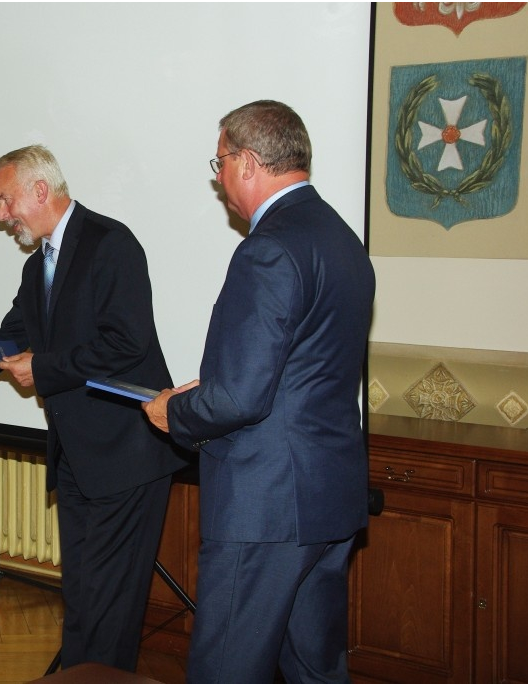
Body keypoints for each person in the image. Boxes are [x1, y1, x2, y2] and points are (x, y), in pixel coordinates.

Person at [0, 145, 189, 671]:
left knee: (110, 608)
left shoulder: (112, 244)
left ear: (41, 190)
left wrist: (46, 367)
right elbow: (2, 345)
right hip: (78, 461)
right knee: (84, 599)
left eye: (5, 200)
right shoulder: (39, 265)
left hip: (127, 458)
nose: (1, 216)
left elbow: (126, 344)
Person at [143, 101, 375, 683]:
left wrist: (176, 410)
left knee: (227, 672)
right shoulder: (343, 239)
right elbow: (301, 372)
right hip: (327, 500)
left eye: (219, 162)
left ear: (247, 162)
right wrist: (219, 387)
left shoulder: (268, 248)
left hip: (266, 507)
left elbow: (243, 399)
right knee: (315, 673)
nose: (218, 179)